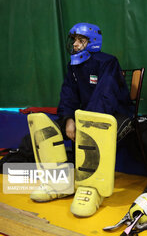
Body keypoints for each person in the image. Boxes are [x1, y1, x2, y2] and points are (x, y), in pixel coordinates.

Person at [28, 22, 135, 217]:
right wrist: (69, 119)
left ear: (92, 42)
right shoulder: (74, 65)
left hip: (114, 113)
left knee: (95, 131)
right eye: (74, 40)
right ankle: (58, 181)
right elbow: (68, 95)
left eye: (81, 40)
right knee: (46, 127)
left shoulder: (107, 62)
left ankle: (91, 188)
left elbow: (105, 96)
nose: (75, 44)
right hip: (85, 114)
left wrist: (84, 123)